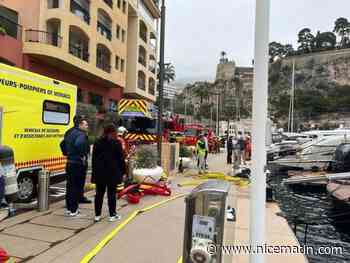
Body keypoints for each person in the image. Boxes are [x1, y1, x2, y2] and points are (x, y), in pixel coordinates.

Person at [92, 124, 126, 222]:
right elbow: (121, 159)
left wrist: (95, 172)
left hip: (100, 173)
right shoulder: (116, 143)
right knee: (111, 194)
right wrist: (124, 171)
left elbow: (94, 159)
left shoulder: (97, 142)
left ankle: (97, 215)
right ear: (114, 132)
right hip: (112, 173)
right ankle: (112, 215)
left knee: (99, 194)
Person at [62, 116, 90, 217]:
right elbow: (79, 145)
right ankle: (74, 210)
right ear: (80, 125)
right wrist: (82, 155)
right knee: (76, 186)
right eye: (85, 124)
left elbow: (62, 144)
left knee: (69, 186)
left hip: (69, 162)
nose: (87, 126)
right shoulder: (81, 134)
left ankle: (69, 208)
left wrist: (67, 153)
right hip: (78, 163)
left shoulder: (69, 132)